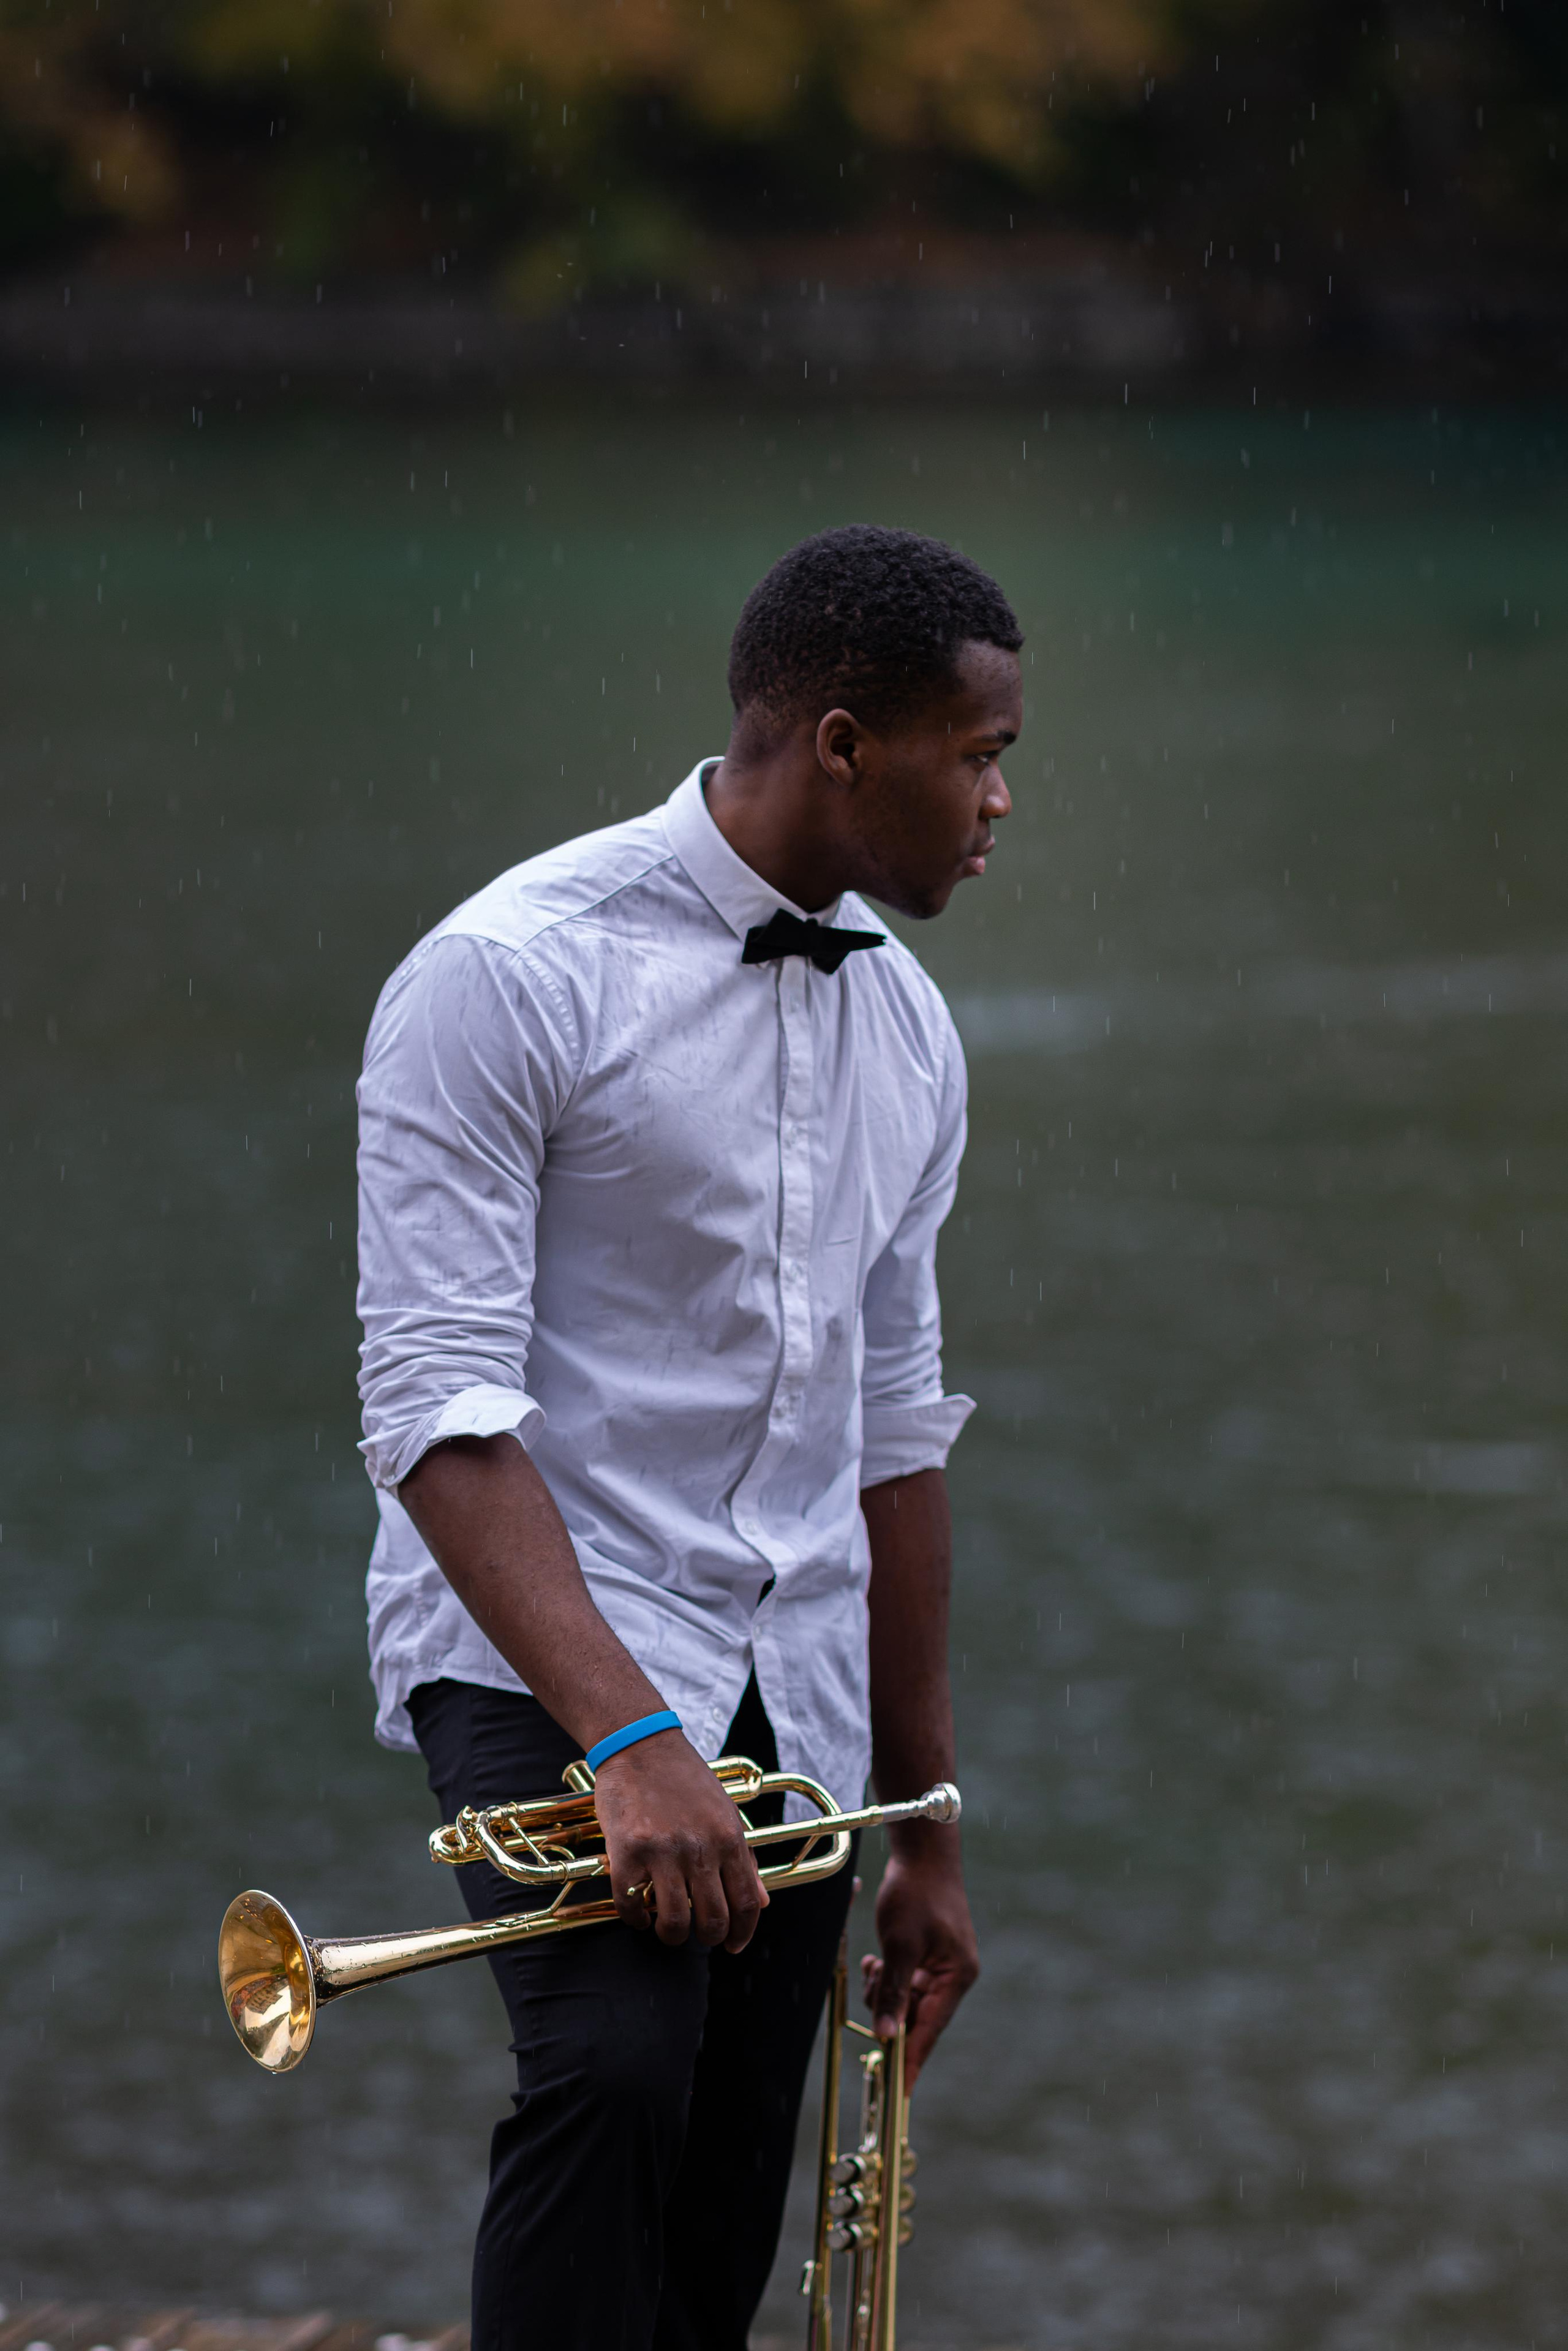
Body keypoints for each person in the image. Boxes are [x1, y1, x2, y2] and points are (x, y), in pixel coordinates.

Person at [355, 523, 1022, 2351]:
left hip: (792, 1676)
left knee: (733, 2168)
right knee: (615, 2072)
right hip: (542, 1634)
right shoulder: (507, 974)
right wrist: (630, 1732)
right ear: (840, 742)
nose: (1000, 801)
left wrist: (931, 1823)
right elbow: (433, 1412)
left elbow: (896, 1436)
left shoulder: (914, 1030)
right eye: (980, 754)